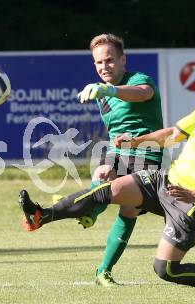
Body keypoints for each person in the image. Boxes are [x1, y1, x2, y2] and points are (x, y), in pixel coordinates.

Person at [19, 67, 195, 287]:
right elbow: (173, 134)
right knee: (105, 191)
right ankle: (41, 215)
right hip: (164, 182)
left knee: (166, 270)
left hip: (190, 202)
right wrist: (137, 141)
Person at [66, 33, 164, 286]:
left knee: (128, 209)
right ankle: (89, 211)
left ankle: (102, 265)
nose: (104, 67)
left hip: (146, 154)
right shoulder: (101, 94)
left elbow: (142, 94)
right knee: (102, 174)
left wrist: (110, 90)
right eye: (99, 63)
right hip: (119, 151)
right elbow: (113, 134)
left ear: (123, 59)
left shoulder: (138, 80)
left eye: (109, 60)